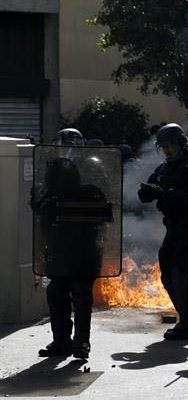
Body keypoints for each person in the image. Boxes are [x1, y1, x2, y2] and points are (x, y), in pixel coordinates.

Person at [32, 129, 113, 359]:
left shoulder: (94, 168)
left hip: (84, 244)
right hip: (59, 243)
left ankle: (82, 342)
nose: (68, 150)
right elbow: (42, 205)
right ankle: (61, 341)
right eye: (64, 145)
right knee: (56, 292)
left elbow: (104, 205)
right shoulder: (52, 169)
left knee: (81, 293)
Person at [138, 123, 188, 340]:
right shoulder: (164, 169)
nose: (167, 150)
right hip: (174, 229)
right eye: (163, 147)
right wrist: (147, 192)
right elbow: (150, 190)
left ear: (180, 144)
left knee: (180, 272)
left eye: (170, 146)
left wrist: (164, 194)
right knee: (167, 275)